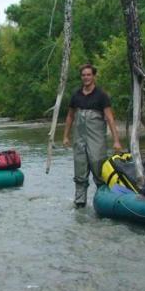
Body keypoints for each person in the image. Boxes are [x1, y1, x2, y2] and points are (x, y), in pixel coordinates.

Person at [63, 64, 122, 208]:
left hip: (97, 140)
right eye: (83, 75)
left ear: (94, 76)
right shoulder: (76, 95)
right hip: (79, 140)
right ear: (81, 77)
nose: (86, 77)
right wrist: (65, 136)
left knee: (99, 170)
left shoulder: (102, 95)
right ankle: (80, 204)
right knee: (80, 171)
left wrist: (116, 141)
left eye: (89, 75)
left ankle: (102, 202)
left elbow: (110, 118)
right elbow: (70, 116)